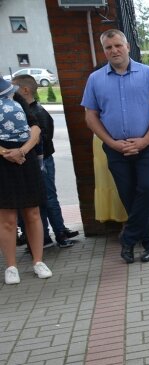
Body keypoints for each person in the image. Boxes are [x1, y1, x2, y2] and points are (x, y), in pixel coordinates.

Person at [82, 29, 149, 264]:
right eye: (108, 47)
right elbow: (91, 117)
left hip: (146, 146)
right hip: (115, 149)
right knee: (129, 196)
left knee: (148, 189)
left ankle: (129, 238)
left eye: (117, 45)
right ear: (104, 51)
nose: (114, 51)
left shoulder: (148, 74)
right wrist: (112, 143)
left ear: (127, 46)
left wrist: (143, 141)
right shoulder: (95, 79)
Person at [12, 74, 78, 248]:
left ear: (25, 90)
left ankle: (60, 234)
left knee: (48, 197)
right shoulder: (29, 111)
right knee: (40, 199)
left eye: (14, 88)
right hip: (36, 161)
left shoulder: (37, 113)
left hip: (42, 161)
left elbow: (43, 139)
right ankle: (44, 237)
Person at [0, 78, 52, 284]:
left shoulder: (14, 94)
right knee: (8, 218)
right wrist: (6, 152)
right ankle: (11, 267)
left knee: (33, 213)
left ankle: (38, 261)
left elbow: (35, 127)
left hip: (25, 157)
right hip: (3, 161)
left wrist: (22, 150)